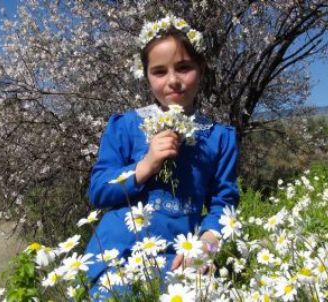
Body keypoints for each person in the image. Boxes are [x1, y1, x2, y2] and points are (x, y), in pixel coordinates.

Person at [85, 15, 239, 299]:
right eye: (159, 71)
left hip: (180, 259)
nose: (173, 81)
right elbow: (97, 192)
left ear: (201, 69)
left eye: (183, 68)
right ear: (146, 76)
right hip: (118, 254)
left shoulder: (219, 138)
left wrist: (208, 241)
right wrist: (145, 165)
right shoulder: (125, 127)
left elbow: (223, 201)